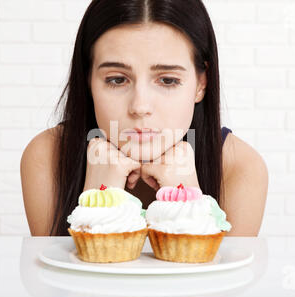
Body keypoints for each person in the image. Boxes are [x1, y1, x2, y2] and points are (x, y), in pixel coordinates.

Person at [20, 0, 268, 237]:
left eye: (168, 80)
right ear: (88, 82)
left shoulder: (240, 167)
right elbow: (54, 281)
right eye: (116, 80)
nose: (140, 107)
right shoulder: (47, 156)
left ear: (201, 84)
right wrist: (99, 201)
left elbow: (223, 282)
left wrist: (189, 203)